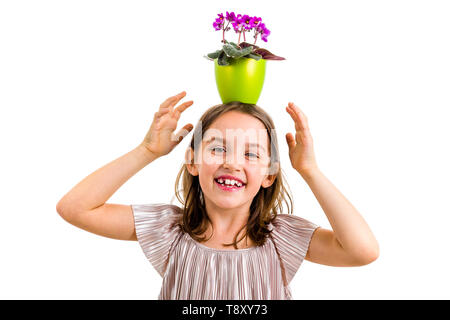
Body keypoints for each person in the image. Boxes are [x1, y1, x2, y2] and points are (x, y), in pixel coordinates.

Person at [56, 91, 379, 299]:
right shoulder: (169, 229)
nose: (231, 162)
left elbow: (362, 252)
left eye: (251, 154)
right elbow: (76, 208)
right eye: (218, 148)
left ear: (269, 175)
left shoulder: (282, 236)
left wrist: (310, 170)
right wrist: (148, 150)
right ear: (193, 162)